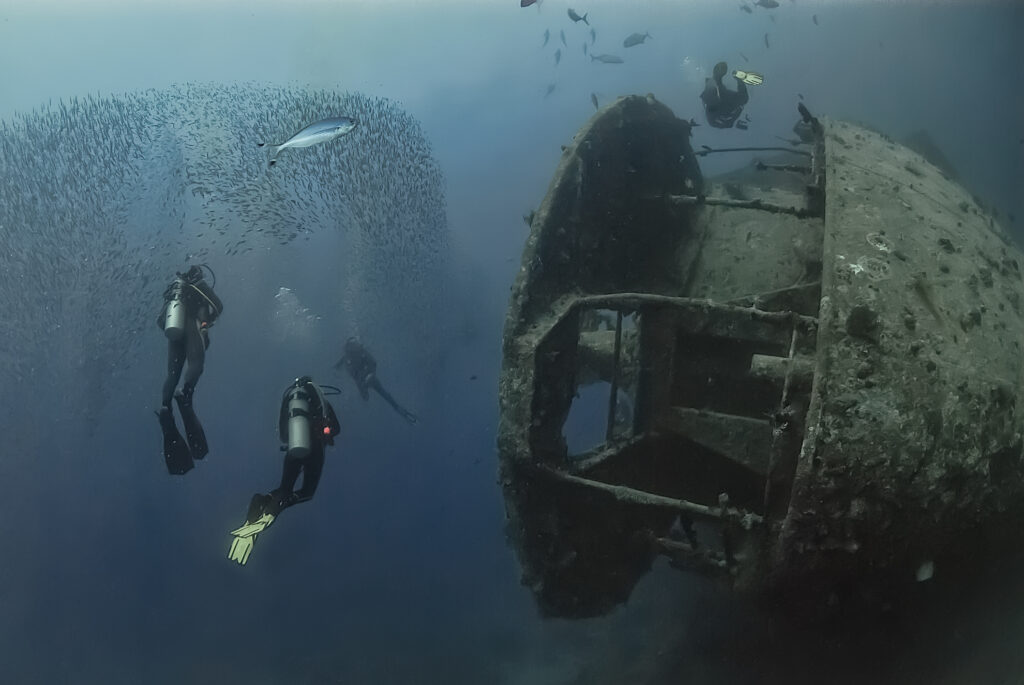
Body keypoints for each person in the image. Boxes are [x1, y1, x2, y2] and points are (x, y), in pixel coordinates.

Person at [227, 376, 340, 565]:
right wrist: (324, 432)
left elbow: (282, 435)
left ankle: (263, 500)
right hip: (316, 450)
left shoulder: (290, 401)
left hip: (293, 450)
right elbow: (336, 428)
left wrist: (297, 435)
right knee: (306, 492)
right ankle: (274, 510)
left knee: (283, 488)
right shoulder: (322, 401)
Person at [155, 264, 223, 475]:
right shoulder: (199, 286)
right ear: (199, 274)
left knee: (172, 374)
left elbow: (160, 321)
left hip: (173, 332)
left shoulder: (174, 294)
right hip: (193, 325)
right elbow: (218, 306)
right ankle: (186, 396)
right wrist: (205, 323)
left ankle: (166, 408)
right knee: (197, 364)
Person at [334, 336, 418, 425]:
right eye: (352, 345)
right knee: (366, 398)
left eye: (355, 344)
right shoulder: (347, 356)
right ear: (348, 346)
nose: (354, 346)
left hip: (369, 378)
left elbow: (373, 363)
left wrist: (370, 374)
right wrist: (335, 372)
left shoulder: (362, 352)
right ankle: (373, 415)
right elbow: (338, 367)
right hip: (360, 381)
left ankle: (398, 409)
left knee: (384, 394)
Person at [700, 62, 762, 129]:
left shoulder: (715, 118)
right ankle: (736, 79)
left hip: (721, 108)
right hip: (723, 108)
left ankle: (721, 78)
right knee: (743, 99)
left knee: (741, 98)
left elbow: (725, 123)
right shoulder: (718, 119)